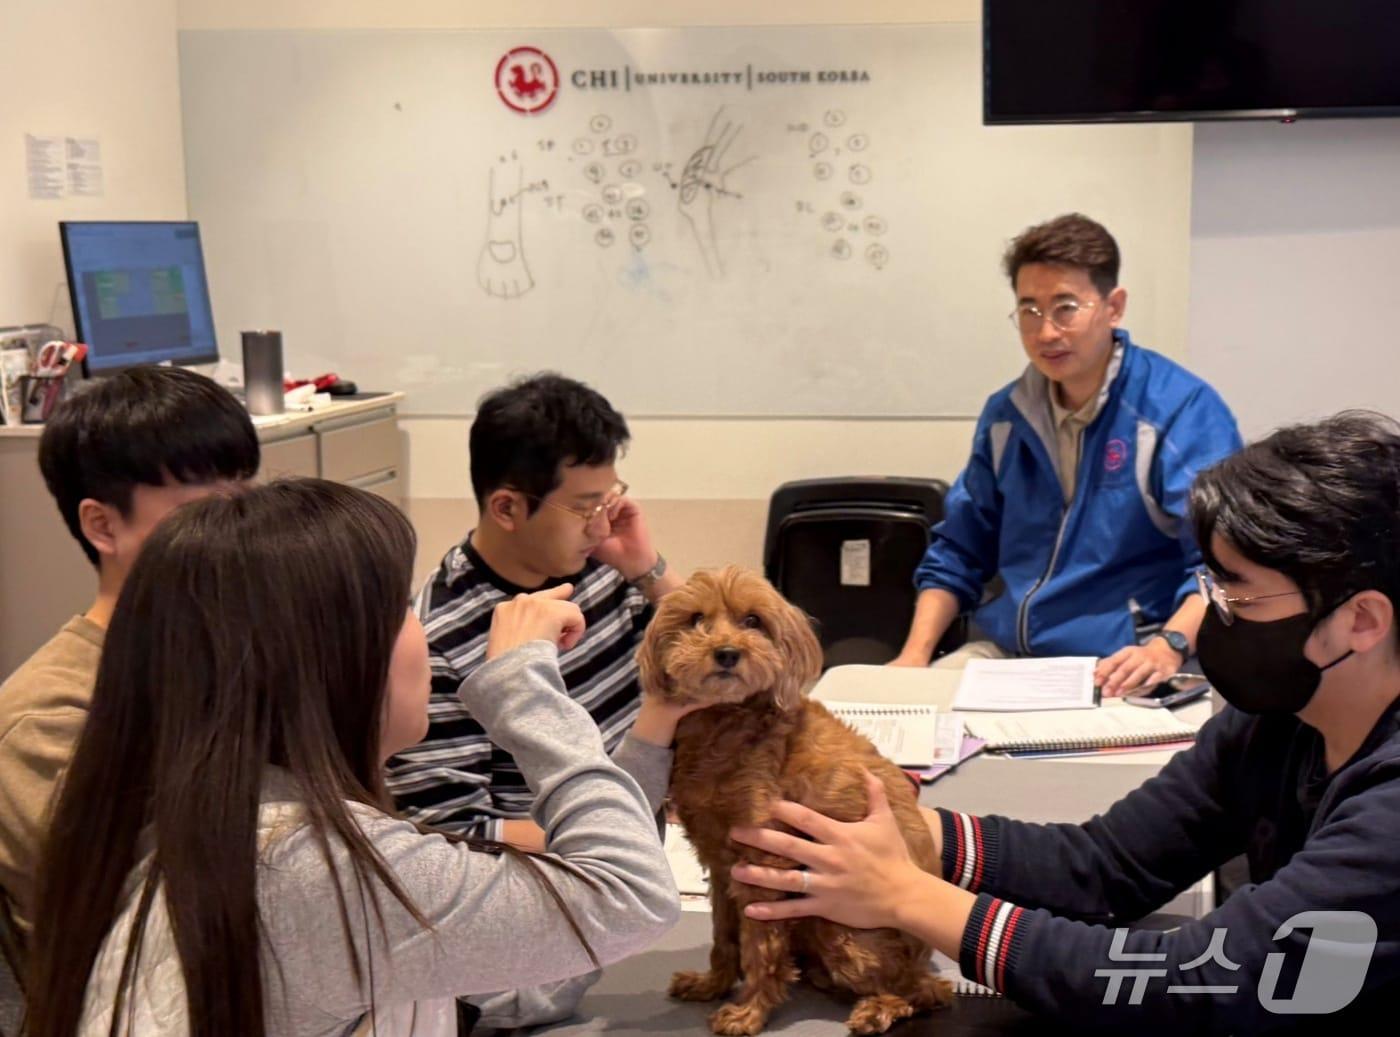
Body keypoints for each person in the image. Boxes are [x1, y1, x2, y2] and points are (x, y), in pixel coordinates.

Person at [734, 412, 1400, 1033]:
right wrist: (908, 828)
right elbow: (1107, 864)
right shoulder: (1280, 723)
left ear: (1362, 620)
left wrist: (906, 897)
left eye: (1238, 592)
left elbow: (1194, 981)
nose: (1210, 610)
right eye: (1209, 583)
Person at [25, 479, 685, 1037]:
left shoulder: (208, 825)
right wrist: (524, 688)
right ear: (329, 661)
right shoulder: (312, 869)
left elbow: (503, 982)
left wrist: (654, 724)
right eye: (399, 607)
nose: (419, 630)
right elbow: (631, 897)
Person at [891, 214, 1241, 695]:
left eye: (1066, 308)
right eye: (1029, 310)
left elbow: (1223, 564)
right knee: (903, 726)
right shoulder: (1005, 416)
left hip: (1131, 658)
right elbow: (959, 548)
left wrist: (1168, 645)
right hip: (1011, 655)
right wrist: (914, 658)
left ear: (1113, 307)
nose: (1046, 332)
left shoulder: (1179, 410)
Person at [0, 366, 259, 930]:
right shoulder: (48, 720)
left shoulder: (243, 654)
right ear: (103, 526)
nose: (241, 532)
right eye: (205, 511)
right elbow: (136, 922)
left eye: (246, 498)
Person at [386, 372, 683, 852]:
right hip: (572, 867)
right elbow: (451, 833)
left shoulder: (601, 568)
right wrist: (617, 836)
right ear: (507, 508)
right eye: (586, 508)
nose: (602, 524)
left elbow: (711, 660)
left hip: (653, 826)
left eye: (608, 500)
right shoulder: (440, 639)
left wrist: (646, 569)